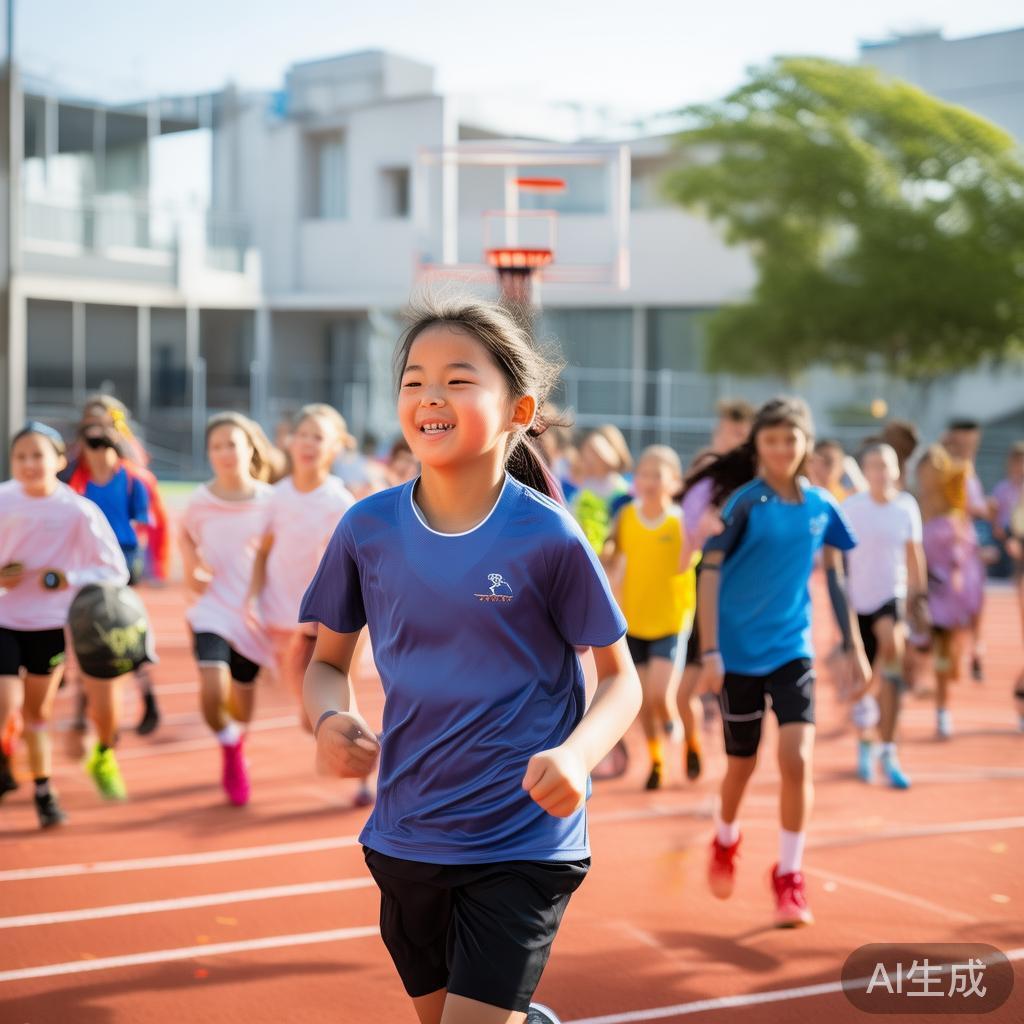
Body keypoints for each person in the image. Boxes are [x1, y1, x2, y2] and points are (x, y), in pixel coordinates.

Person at [300, 297, 641, 1024]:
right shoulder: (365, 529)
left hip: (523, 840)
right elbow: (326, 664)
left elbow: (622, 681)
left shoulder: (550, 537)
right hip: (407, 833)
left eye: (458, 380)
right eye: (414, 380)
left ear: (520, 410)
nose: (430, 395)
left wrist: (577, 757)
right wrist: (329, 718)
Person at [698, 398, 869, 928]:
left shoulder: (822, 506)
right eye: (770, 440)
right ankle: (725, 838)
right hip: (737, 655)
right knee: (742, 766)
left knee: (797, 758)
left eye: (790, 439)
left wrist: (854, 645)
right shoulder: (744, 503)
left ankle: (789, 875)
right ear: (758, 446)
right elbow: (708, 571)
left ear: (805, 444)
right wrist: (709, 650)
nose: (780, 449)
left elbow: (835, 575)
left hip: (793, 648)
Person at [0, 422, 130, 826]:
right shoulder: (3, 500)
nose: (29, 464)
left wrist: (66, 577)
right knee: (5, 703)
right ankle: (6, 751)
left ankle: (44, 792)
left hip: (50, 625)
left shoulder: (77, 510)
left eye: (38, 455)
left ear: (59, 460)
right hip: (3, 618)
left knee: (37, 711)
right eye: (20, 456)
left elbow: (116, 570)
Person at [247, 405, 369, 805]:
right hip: (281, 615)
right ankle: (341, 739)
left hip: (323, 620)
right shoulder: (276, 497)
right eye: (304, 435)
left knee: (333, 697)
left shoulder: (338, 501)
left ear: (335, 448)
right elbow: (262, 551)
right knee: (307, 716)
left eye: (319, 437)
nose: (309, 444)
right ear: (290, 441)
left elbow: (353, 564)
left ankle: (363, 774)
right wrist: (253, 598)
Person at [180, 412, 274, 807]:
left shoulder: (272, 502)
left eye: (232, 444)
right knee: (212, 689)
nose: (224, 453)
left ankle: (238, 740)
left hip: (254, 614)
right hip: (212, 608)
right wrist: (192, 568)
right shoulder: (200, 502)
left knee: (242, 696)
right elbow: (185, 537)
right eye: (216, 447)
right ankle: (231, 748)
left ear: (250, 448)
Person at [604, 446, 694, 790]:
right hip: (635, 620)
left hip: (670, 621)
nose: (650, 481)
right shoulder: (626, 517)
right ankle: (656, 761)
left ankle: (684, 735)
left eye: (659, 474)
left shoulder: (681, 522)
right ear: (636, 480)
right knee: (642, 701)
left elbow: (690, 562)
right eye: (644, 473)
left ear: (674, 482)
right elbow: (614, 555)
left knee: (660, 695)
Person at [68, 417, 161, 735]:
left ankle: (148, 699)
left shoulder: (132, 480)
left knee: (129, 633)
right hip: (87, 567)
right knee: (86, 633)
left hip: (124, 564)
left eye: (104, 444)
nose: (98, 452)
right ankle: (86, 710)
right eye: (91, 445)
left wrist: (139, 565)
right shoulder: (78, 483)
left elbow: (143, 524)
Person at [841, 444, 927, 788]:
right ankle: (866, 739)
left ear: (896, 470)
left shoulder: (906, 506)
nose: (880, 471)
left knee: (892, 657)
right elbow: (834, 557)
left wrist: (919, 599)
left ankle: (889, 749)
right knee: (862, 679)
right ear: (865, 471)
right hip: (856, 603)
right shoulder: (852, 507)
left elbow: (914, 554)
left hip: (891, 597)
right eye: (873, 465)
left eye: (886, 465)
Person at [916, 445, 983, 739]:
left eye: (933, 470)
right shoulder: (914, 505)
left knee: (943, 654)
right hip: (918, 593)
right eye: (924, 471)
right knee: (905, 652)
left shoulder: (955, 512)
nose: (927, 477)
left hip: (945, 597)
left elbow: (964, 557)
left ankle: (942, 710)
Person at [943, 419, 991, 681]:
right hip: (949, 546)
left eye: (973, 441)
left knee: (975, 602)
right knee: (954, 602)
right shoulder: (945, 467)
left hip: (968, 546)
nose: (969, 446)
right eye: (963, 441)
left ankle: (974, 650)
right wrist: (982, 508)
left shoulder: (969, 469)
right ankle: (953, 655)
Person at [570, 426, 632, 553]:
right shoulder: (582, 487)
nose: (589, 457)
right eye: (587, 451)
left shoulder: (623, 492)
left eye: (595, 451)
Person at [990, 442, 1024, 579]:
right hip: (1004, 537)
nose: (1020, 466)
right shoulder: (1001, 488)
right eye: (1017, 462)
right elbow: (995, 521)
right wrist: (1007, 539)